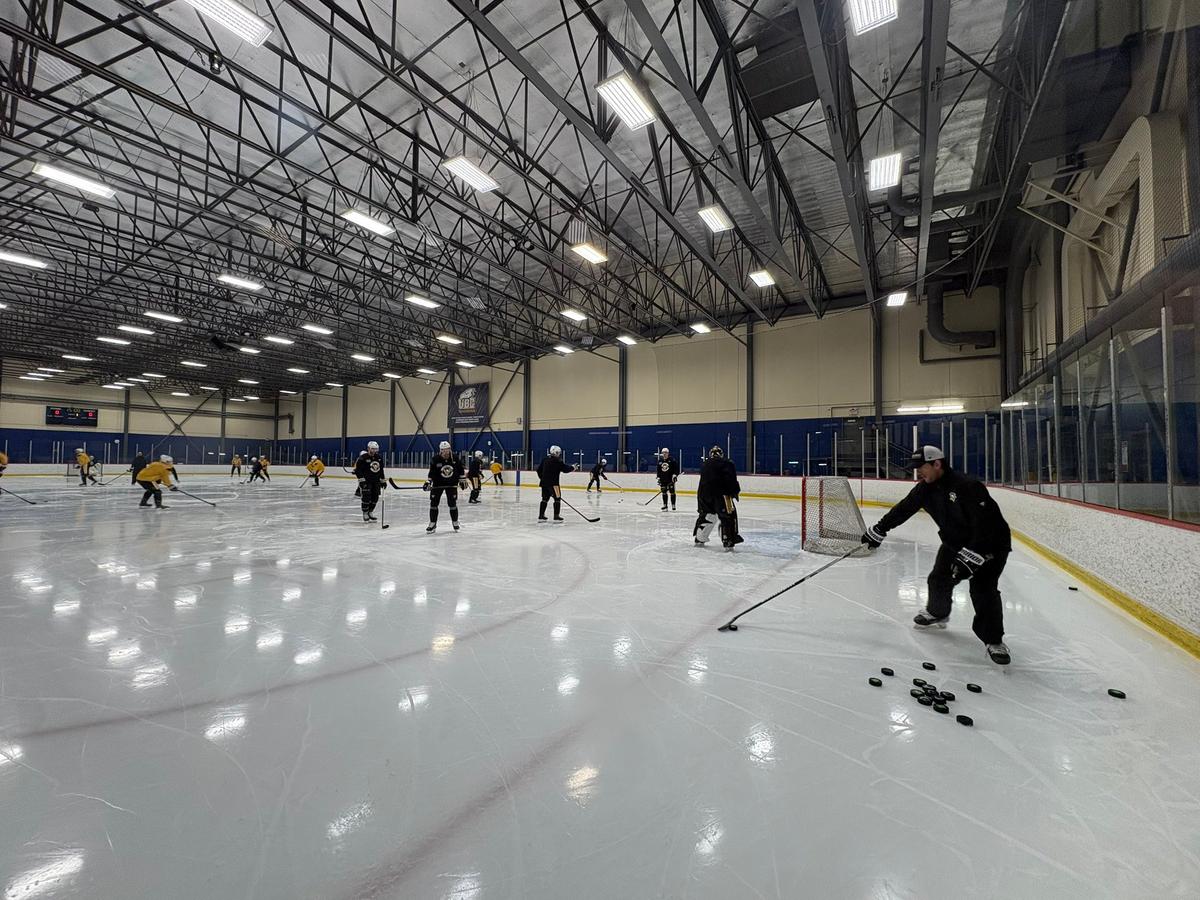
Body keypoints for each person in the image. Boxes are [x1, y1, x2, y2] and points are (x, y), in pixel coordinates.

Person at [861, 445, 1013, 665]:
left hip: (990, 546)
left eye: (921, 467)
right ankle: (938, 612)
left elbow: (985, 526)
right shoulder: (925, 488)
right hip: (955, 543)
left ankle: (994, 641)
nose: (918, 473)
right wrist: (880, 529)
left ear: (937, 464)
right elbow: (904, 508)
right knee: (939, 578)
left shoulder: (968, 487)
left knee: (982, 590)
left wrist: (971, 557)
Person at [694, 446, 743, 549]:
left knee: (707, 516)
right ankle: (728, 539)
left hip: (704, 496)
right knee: (728, 516)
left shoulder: (705, 464)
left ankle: (700, 538)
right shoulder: (727, 463)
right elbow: (731, 480)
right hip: (721, 495)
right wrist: (734, 492)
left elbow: (702, 484)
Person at [424, 441, 464, 532]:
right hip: (438, 484)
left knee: (452, 504)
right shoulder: (435, 459)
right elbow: (432, 472)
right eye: (444, 450)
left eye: (448, 450)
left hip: (451, 484)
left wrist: (462, 479)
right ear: (440, 450)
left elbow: (460, 469)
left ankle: (455, 522)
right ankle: (433, 523)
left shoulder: (455, 458)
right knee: (434, 504)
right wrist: (428, 482)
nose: (446, 452)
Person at [536, 445, 573, 522]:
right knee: (557, 499)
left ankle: (541, 515)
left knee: (544, 499)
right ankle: (556, 516)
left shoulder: (545, 460)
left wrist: (542, 478)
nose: (559, 454)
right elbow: (565, 469)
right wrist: (573, 467)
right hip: (554, 484)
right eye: (559, 453)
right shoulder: (558, 461)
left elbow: (538, 470)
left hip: (544, 483)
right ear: (556, 453)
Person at [354, 441, 387, 522]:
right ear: (368, 448)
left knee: (375, 498)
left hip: (376, 481)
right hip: (366, 482)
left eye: (376, 449)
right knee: (366, 498)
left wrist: (383, 480)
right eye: (372, 449)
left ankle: (370, 512)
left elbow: (381, 470)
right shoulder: (363, 458)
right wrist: (361, 480)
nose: (374, 451)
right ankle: (365, 513)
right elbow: (358, 470)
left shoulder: (379, 458)